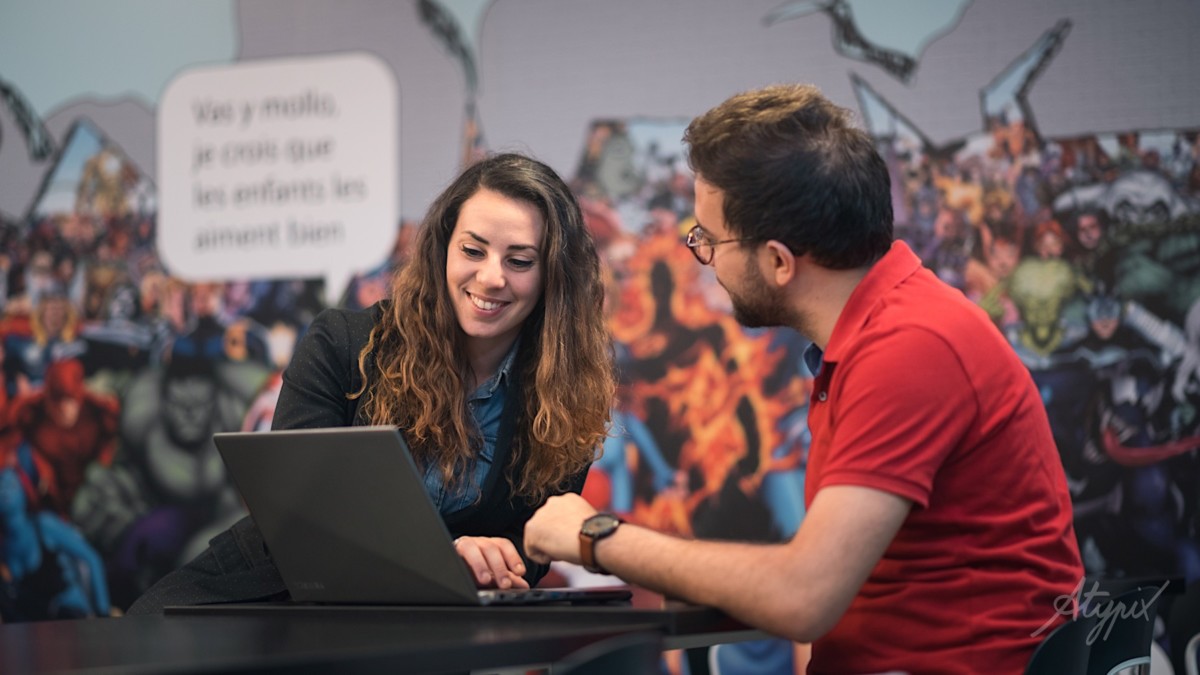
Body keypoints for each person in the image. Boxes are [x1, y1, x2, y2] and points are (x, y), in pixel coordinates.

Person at [524, 84, 1084, 674]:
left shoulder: (910, 348)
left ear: (778, 262)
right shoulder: (890, 327)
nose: (704, 258)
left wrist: (594, 536)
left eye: (708, 240)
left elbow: (803, 597)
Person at [127, 152, 614, 612]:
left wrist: (493, 560)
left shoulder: (566, 397)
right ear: (443, 248)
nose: (490, 277)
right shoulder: (340, 343)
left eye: (520, 261)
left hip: (434, 627)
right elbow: (297, 516)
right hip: (270, 597)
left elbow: (536, 543)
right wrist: (446, 557)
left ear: (553, 276)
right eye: (472, 250)